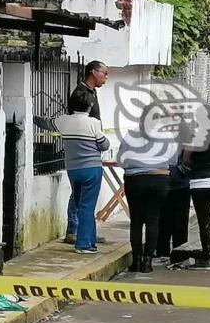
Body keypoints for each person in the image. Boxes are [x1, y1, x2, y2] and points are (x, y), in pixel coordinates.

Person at [34, 90, 109, 254]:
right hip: (92, 170)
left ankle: (90, 241)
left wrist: (30, 115)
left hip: (73, 170)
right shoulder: (94, 123)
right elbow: (104, 145)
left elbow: (45, 123)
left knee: (80, 204)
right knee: (88, 208)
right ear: (90, 106)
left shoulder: (63, 121)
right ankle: (84, 244)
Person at [117, 111, 178, 274]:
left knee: (136, 221)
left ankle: (136, 259)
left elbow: (121, 159)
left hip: (135, 180)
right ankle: (147, 261)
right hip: (159, 179)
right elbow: (173, 160)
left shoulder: (131, 134)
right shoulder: (167, 135)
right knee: (153, 220)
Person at [64, 60, 109, 245]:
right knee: (81, 197)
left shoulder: (90, 92)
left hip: (88, 149)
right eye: (104, 73)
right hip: (84, 151)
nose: (106, 77)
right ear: (93, 72)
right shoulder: (81, 94)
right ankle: (75, 230)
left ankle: (86, 233)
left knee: (83, 197)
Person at [183, 125, 210, 269]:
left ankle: (206, 254)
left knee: (204, 219)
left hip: (200, 182)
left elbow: (186, 159)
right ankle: (206, 251)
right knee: (206, 215)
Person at [156, 152, 191, 258]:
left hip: (164, 178)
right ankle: (178, 252)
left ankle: (164, 251)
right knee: (179, 220)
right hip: (178, 180)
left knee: (163, 219)